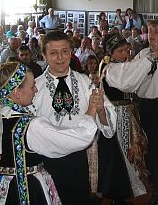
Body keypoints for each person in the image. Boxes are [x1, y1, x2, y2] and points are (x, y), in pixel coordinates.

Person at [0, 62, 100, 204]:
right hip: (26, 189)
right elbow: (77, 139)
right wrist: (91, 110)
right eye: (32, 86)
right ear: (17, 92)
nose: (36, 89)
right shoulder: (30, 126)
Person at [105, 19, 158, 205]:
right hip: (146, 108)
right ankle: (156, 193)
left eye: (157, 31)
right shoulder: (142, 54)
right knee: (147, 154)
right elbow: (131, 80)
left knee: (154, 156)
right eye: (150, 31)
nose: (152, 35)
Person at [32, 30, 117, 204]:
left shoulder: (84, 81)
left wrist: (100, 109)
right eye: (53, 53)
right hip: (46, 160)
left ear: (71, 53)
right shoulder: (35, 87)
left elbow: (108, 124)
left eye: (64, 51)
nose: (60, 58)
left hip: (78, 157)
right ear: (44, 56)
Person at [94, 33, 149, 203]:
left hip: (126, 114)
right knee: (119, 153)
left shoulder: (122, 66)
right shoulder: (112, 69)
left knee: (127, 151)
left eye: (126, 50)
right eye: (120, 51)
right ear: (111, 53)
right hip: (115, 116)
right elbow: (127, 83)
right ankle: (117, 190)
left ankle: (124, 189)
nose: (124, 54)